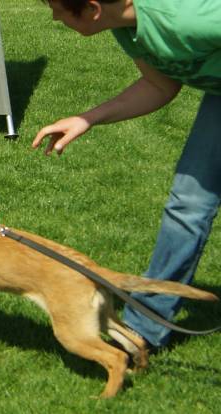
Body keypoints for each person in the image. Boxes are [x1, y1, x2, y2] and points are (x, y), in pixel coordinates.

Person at [32, 0, 221, 348]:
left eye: (59, 9)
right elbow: (159, 85)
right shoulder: (127, 29)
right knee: (188, 205)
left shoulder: (190, 19)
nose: (55, 17)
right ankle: (143, 329)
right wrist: (86, 119)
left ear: (92, 9)